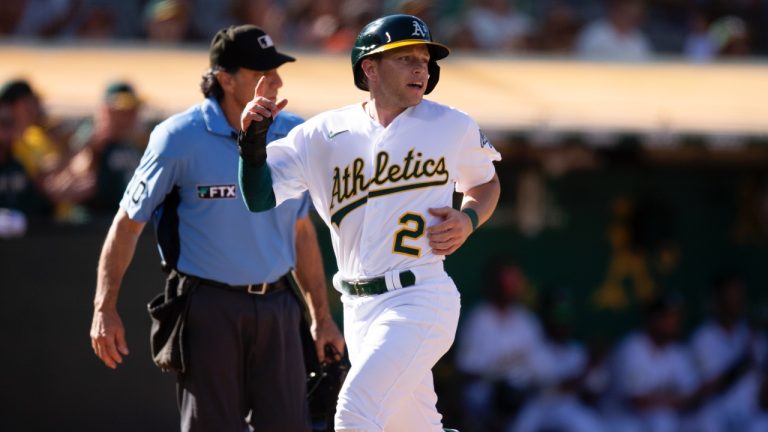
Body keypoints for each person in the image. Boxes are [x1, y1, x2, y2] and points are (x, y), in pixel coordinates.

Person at [237, 14, 502, 432]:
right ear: (370, 68)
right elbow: (258, 197)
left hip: (421, 297)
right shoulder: (323, 133)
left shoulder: (451, 124)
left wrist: (468, 218)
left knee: (354, 413)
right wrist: (252, 143)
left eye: (425, 59)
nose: (421, 68)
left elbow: (486, 183)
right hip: (358, 307)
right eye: (406, 58)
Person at [89, 24, 344, 432]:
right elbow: (127, 224)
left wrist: (322, 318)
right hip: (209, 309)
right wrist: (104, 307)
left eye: (276, 71)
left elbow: (301, 232)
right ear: (226, 79)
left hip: (278, 307)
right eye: (262, 73)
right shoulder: (178, 137)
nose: (276, 81)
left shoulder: (293, 132)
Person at [454, 259, 546, 432]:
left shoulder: (527, 321)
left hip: (523, 397)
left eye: (516, 280)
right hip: (485, 395)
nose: (513, 285)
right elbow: (466, 370)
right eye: (507, 280)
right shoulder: (478, 319)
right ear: (494, 283)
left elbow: (540, 370)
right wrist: (497, 380)